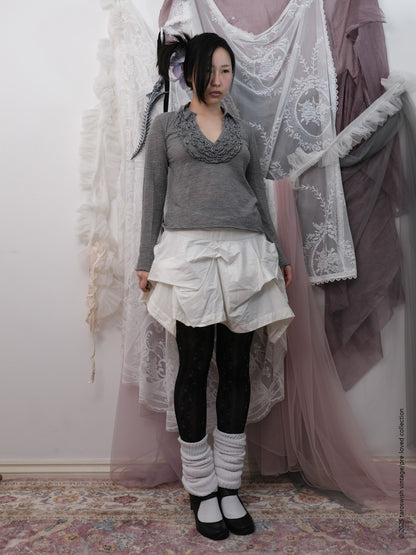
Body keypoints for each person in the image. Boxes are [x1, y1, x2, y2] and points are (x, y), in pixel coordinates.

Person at [136, 32, 294, 541]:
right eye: (211, 70)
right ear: (190, 73)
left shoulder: (245, 132)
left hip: (245, 254)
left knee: (236, 368)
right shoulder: (166, 127)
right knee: (193, 367)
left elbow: (258, 197)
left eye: (227, 71)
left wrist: (278, 254)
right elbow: (153, 195)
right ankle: (200, 488)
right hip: (189, 256)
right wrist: (145, 259)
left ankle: (228, 485)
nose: (219, 80)